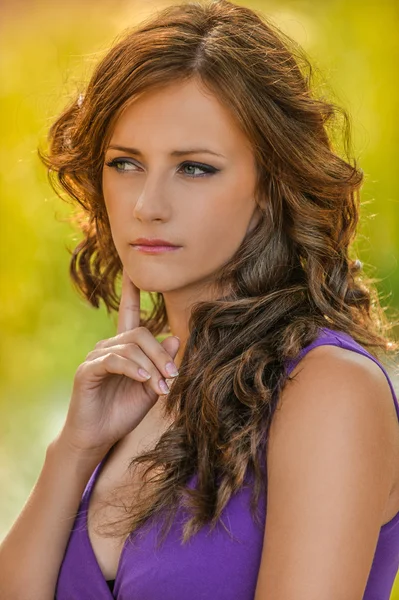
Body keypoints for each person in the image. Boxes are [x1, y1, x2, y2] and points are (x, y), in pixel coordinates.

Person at [1, 0, 398, 598]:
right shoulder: (133, 396)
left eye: (194, 168)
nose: (147, 205)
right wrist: (74, 450)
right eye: (126, 162)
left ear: (270, 186)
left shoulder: (327, 389)